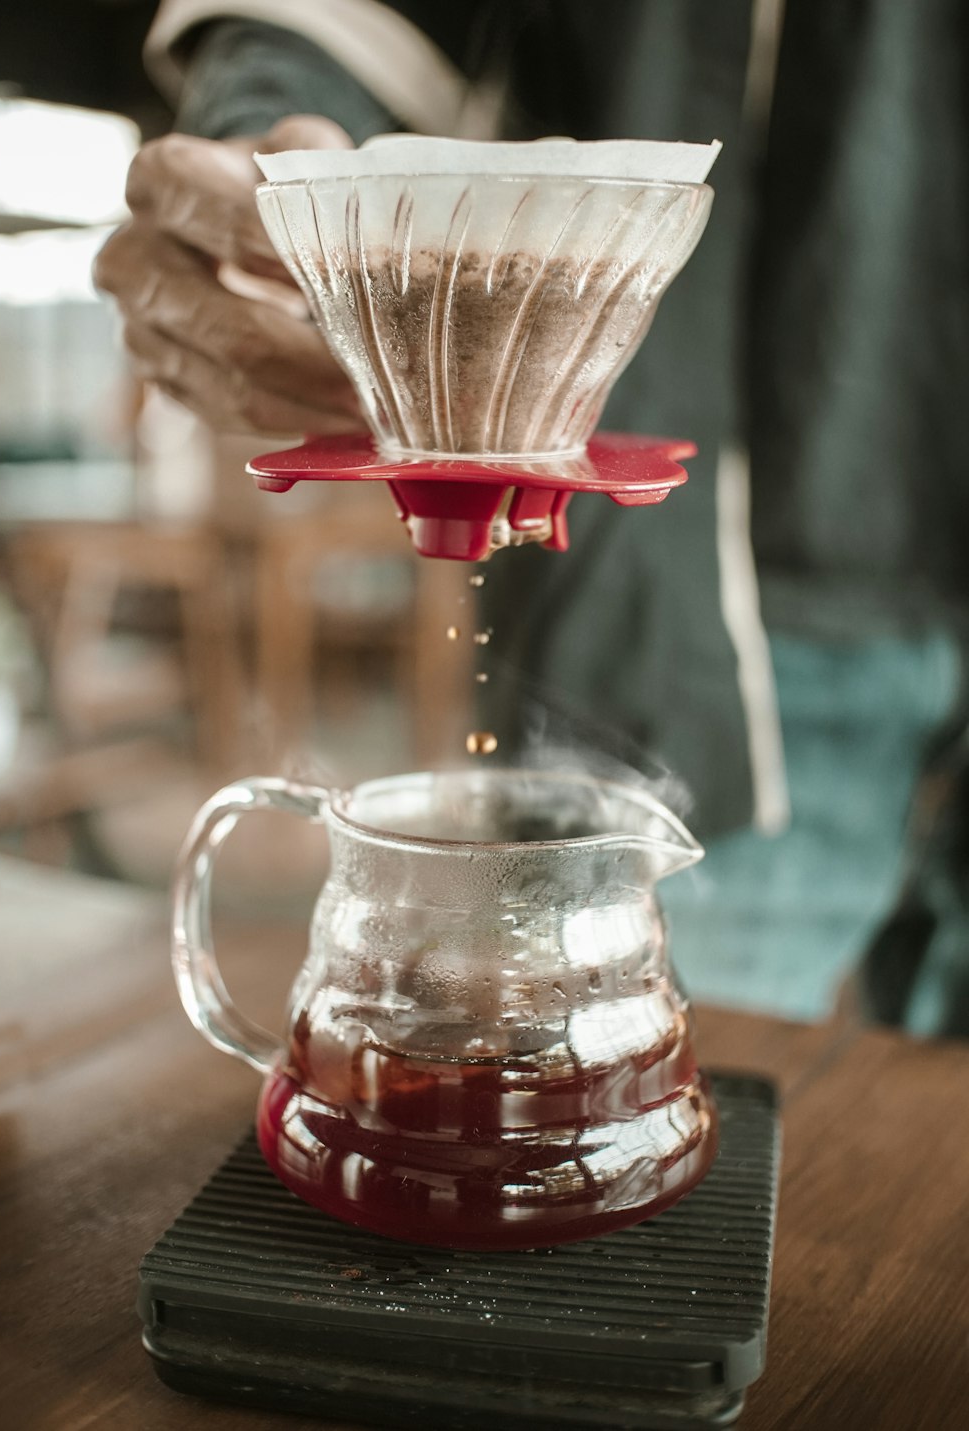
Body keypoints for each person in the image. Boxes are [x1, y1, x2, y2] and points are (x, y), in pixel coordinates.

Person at [95, 0, 969, 1035]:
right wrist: (273, 162)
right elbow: (322, 30)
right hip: (698, 651)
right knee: (639, 1060)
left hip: (900, 539)